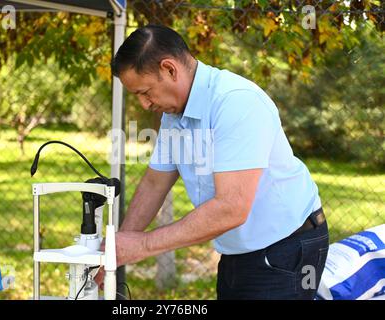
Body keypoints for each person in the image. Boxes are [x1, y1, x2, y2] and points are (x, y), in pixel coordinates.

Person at [100, 24, 329, 300]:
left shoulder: (236, 102)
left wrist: (144, 244)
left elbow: (231, 208)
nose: (145, 105)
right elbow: (153, 183)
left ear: (170, 69)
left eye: (145, 92)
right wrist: (117, 249)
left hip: (287, 246)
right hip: (237, 249)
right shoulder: (173, 115)